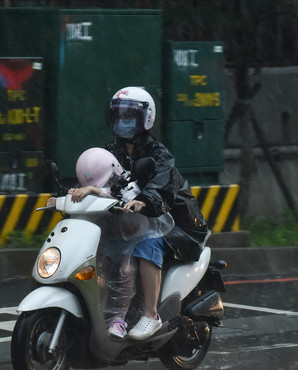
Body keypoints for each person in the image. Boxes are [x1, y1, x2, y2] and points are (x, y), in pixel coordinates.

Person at [104, 86, 209, 340]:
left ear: (146, 118)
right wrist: (78, 192)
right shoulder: (112, 151)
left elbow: (160, 185)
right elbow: (99, 176)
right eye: (118, 115)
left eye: (130, 115)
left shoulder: (160, 156)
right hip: (142, 223)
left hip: (179, 227)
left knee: (147, 246)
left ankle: (150, 315)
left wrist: (144, 200)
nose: (123, 120)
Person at [69, 147, 174, 339]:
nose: (107, 184)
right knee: (96, 266)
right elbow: (84, 200)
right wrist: (63, 199)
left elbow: (123, 194)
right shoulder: (92, 187)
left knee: (126, 270)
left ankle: (119, 319)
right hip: (113, 239)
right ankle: (96, 314)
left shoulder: (129, 183)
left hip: (139, 238)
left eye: (108, 180)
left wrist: (95, 189)